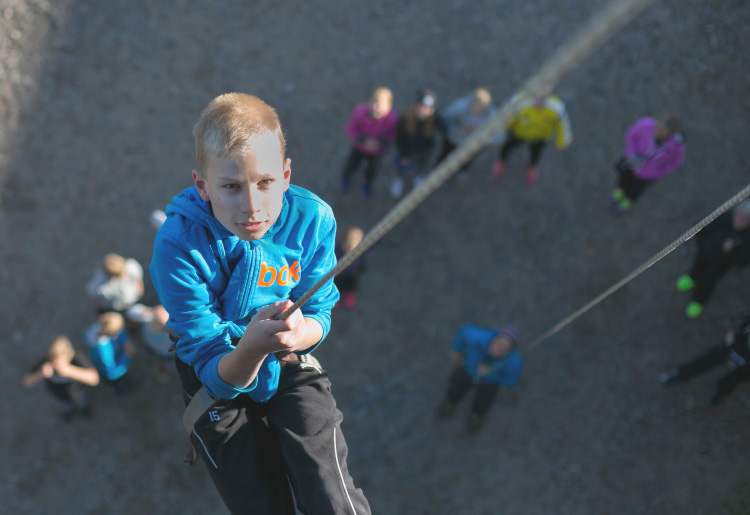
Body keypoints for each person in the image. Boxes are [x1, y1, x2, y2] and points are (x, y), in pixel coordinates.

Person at [150, 93, 370, 514]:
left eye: (266, 183)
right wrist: (250, 348)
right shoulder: (178, 246)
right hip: (217, 376)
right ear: (202, 186)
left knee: (332, 496)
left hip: (288, 360)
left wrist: (300, 333)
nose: (252, 207)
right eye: (231, 187)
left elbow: (321, 307)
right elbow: (211, 363)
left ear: (286, 175)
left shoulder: (313, 219)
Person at [436, 324, 524, 432]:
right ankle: (450, 401)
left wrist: (492, 374)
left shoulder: (514, 363)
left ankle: (476, 415)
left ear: (508, 351)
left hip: (489, 383)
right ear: (495, 338)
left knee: (483, 401)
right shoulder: (479, 337)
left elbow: (511, 382)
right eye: (497, 344)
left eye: (503, 348)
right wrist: (456, 349)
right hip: (467, 370)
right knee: (455, 388)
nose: (497, 350)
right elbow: (464, 331)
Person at [676, 200, 750, 318]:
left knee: (707, 282)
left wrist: (729, 252)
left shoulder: (747, 238)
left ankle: (698, 301)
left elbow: (743, 261)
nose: (739, 219)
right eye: (739, 213)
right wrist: (696, 234)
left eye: (745, 218)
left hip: (719, 265)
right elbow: (705, 223)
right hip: (704, 252)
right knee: (697, 266)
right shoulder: (725, 217)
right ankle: (692, 278)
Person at [660, 317, 750, 405]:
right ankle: (681, 374)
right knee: (707, 360)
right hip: (736, 346)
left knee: (736, 377)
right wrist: (735, 332)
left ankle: (722, 390)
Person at [493, 91, 572, 187]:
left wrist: (562, 142)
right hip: (518, 133)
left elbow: (563, 126)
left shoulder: (556, 108)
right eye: (536, 98)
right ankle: (501, 161)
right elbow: (507, 118)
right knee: (507, 147)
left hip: (540, 137)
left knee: (536, 153)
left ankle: (532, 167)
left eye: (543, 99)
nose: (539, 102)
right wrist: (499, 136)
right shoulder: (520, 102)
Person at [610, 114, 685, 213]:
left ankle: (625, 204)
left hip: (648, 175)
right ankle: (618, 194)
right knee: (623, 180)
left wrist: (660, 171)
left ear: (670, 133)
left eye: (662, 131)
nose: (657, 132)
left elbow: (676, 162)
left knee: (635, 190)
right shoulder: (645, 125)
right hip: (631, 163)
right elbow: (631, 135)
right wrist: (632, 152)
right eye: (657, 127)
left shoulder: (676, 146)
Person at [23, 336, 100, 421]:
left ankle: (84, 410)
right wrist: (40, 374)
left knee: (81, 403)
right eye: (53, 361)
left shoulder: (77, 359)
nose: (56, 366)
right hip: (59, 397)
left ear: (69, 355)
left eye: (59, 363)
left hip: (79, 393)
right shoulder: (46, 363)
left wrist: (70, 371)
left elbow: (94, 379)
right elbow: (26, 382)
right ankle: (68, 413)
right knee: (65, 407)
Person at [436, 88, 505, 180]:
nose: (476, 113)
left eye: (480, 111)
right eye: (474, 109)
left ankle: (461, 170)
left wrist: (483, 135)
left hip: (474, 145)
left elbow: (500, 137)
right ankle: (438, 171)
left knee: (468, 159)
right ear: (471, 103)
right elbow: (443, 118)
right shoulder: (459, 107)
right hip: (454, 139)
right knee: (445, 155)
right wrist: (460, 129)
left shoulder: (492, 115)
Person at [340, 87, 398, 197]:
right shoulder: (360, 112)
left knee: (372, 169)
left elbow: (392, 137)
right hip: (359, 148)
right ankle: (346, 176)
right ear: (369, 101)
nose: (377, 108)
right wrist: (363, 140)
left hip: (378, 152)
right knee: (352, 164)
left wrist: (380, 144)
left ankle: (367, 182)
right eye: (375, 103)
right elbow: (350, 129)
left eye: (381, 105)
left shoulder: (392, 119)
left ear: (389, 107)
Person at [390, 88, 439, 198]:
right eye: (421, 106)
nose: (423, 111)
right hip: (406, 151)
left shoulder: (434, 121)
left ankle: (418, 177)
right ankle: (399, 179)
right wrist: (403, 155)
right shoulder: (405, 119)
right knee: (402, 167)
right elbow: (399, 139)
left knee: (421, 166)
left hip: (423, 152)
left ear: (432, 110)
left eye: (427, 108)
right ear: (416, 105)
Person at [83, 312, 136, 395]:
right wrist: (126, 356)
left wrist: (126, 341)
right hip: (112, 370)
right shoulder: (103, 351)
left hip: (108, 357)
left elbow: (121, 333)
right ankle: (119, 390)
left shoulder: (97, 327)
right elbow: (111, 373)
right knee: (117, 382)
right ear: (113, 334)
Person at [126, 303, 173, 379]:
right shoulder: (149, 318)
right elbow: (131, 312)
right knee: (155, 361)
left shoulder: (172, 333)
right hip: (154, 350)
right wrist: (152, 311)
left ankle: (163, 372)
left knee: (165, 365)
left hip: (164, 354)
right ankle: (161, 371)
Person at [334, 226, 367, 309]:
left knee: (351, 285)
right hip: (339, 272)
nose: (348, 252)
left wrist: (361, 267)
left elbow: (362, 259)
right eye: (347, 249)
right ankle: (335, 297)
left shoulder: (360, 249)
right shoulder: (337, 247)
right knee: (337, 284)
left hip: (352, 272)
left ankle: (350, 294)